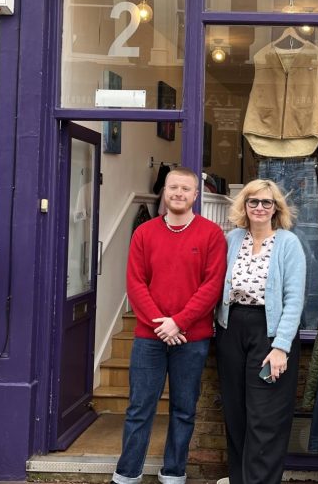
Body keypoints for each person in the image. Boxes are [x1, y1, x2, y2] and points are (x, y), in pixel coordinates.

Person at [112, 166, 227, 484]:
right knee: (140, 408)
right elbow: (136, 284)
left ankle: (174, 473)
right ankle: (127, 473)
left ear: (196, 195)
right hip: (149, 338)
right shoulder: (144, 233)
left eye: (185, 189)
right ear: (164, 190)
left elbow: (212, 285)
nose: (178, 193)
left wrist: (179, 322)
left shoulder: (211, 234)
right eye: (173, 187)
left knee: (183, 409)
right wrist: (161, 324)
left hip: (193, 338)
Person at [215, 179, 306, 484]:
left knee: (265, 418)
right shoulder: (232, 239)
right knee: (236, 414)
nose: (259, 207)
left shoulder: (288, 243)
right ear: (244, 205)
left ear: (276, 208)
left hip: (269, 335)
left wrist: (281, 346)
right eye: (253, 201)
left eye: (267, 202)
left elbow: (294, 299)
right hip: (231, 331)